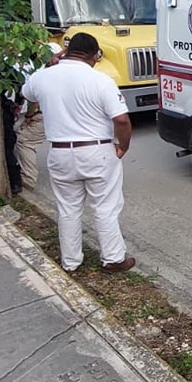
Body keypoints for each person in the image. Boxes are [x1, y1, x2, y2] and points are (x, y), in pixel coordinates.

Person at [21, 33, 135, 273]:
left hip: (60, 152)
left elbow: (27, 93)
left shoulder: (42, 77)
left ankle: (71, 262)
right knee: (105, 206)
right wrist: (123, 146)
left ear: (66, 52)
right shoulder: (100, 80)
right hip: (97, 150)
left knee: (68, 208)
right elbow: (122, 120)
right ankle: (113, 259)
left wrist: (52, 60)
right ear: (94, 56)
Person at [13, 42, 62, 193]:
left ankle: (28, 180)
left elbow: (34, 98)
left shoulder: (42, 74)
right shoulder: (66, 73)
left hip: (44, 115)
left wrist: (30, 115)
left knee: (24, 141)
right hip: (62, 116)